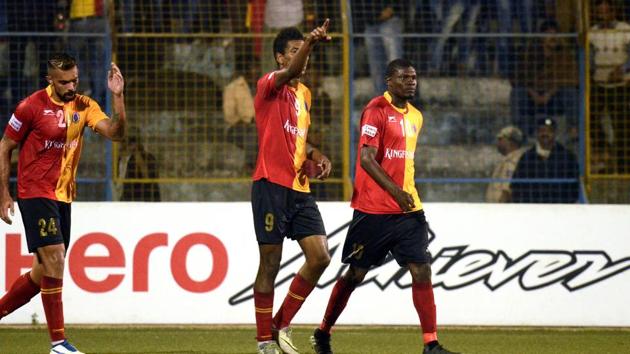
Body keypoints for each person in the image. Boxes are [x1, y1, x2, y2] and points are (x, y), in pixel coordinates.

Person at [310, 59, 458, 354]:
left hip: (408, 210)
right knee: (355, 275)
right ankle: (323, 331)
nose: (411, 82)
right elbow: (366, 159)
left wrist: (406, 195)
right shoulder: (375, 110)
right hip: (374, 210)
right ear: (389, 80)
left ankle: (430, 343)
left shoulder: (416, 116)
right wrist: (395, 191)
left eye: (414, 77)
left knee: (422, 270)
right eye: (404, 77)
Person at [0, 53, 126, 354]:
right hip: (34, 193)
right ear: (50, 81)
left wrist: (118, 98)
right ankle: (58, 344)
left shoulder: (84, 106)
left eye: (75, 80)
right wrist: (4, 193)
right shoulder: (30, 107)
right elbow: (5, 146)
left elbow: (116, 133)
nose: (71, 86)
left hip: (63, 196)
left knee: (40, 274)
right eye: (64, 82)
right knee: (56, 257)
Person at [251, 21, 333, 354]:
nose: (303, 59)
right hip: (270, 185)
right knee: (269, 265)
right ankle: (263, 342)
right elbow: (291, 72)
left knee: (320, 257)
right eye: (295, 52)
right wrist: (311, 43)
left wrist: (316, 155)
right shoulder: (268, 84)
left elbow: (297, 137)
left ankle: (280, 322)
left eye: (305, 52)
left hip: (299, 189)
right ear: (280, 59)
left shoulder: (305, 94)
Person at [510, 20, 578, 139]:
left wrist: (550, 93)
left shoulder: (564, 54)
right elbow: (517, 78)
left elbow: (572, 77)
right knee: (517, 93)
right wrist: (533, 93)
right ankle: (520, 132)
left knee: (571, 92)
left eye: (555, 34)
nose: (553, 38)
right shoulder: (529, 53)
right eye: (549, 34)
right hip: (533, 97)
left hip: (554, 98)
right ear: (541, 37)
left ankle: (573, 129)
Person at [589, 0, 630, 173]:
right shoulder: (592, 32)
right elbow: (589, 56)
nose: (603, 16)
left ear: (613, 12)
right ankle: (603, 154)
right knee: (591, 120)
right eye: (600, 13)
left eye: (606, 12)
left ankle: (623, 165)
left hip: (620, 84)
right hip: (599, 84)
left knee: (621, 125)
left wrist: (622, 69)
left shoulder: (625, 29)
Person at [511, 117, 579, 203]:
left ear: (554, 133)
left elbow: (574, 186)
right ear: (537, 133)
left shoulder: (567, 157)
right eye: (541, 130)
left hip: (560, 210)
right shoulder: (527, 157)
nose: (545, 133)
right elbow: (516, 185)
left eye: (549, 131)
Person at [351, 1, 403, 94]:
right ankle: (381, 99)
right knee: (376, 66)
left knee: (395, 61)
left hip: (390, 19)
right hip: (370, 23)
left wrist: (392, 8)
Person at [485, 125, 526, 203]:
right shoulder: (507, 159)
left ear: (511, 142)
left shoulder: (513, 160)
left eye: (501, 139)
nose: (498, 142)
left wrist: (501, 210)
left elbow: (507, 190)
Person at [118, 130, 161, 202]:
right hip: (131, 199)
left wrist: (137, 156)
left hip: (145, 199)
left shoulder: (147, 158)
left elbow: (147, 178)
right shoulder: (124, 159)